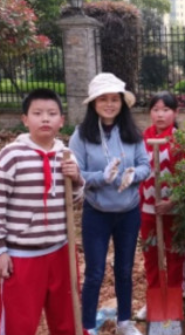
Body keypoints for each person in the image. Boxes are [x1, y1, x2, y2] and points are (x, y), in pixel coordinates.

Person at [0, 88, 85, 335]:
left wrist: (77, 179)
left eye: (51, 113)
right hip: (21, 255)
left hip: (60, 251)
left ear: (62, 120)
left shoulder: (66, 155)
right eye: (37, 113)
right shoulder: (11, 156)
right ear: (25, 119)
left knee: (67, 319)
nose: (45, 119)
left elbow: (77, 199)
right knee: (19, 322)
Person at [69, 73, 150, 335]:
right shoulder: (81, 135)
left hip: (128, 212)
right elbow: (76, 174)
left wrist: (132, 175)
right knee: (94, 272)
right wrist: (101, 177)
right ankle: (88, 326)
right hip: (97, 212)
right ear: (93, 103)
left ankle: (124, 322)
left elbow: (145, 166)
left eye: (114, 99)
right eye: (103, 99)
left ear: (121, 103)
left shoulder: (132, 133)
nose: (109, 104)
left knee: (125, 269)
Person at [137, 92, 185, 332]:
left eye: (166, 109)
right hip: (147, 210)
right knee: (152, 256)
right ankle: (155, 297)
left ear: (175, 113)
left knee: (175, 256)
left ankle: (175, 298)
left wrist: (173, 202)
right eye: (155, 109)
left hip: (173, 211)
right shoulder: (140, 140)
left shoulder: (181, 141)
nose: (160, 114)